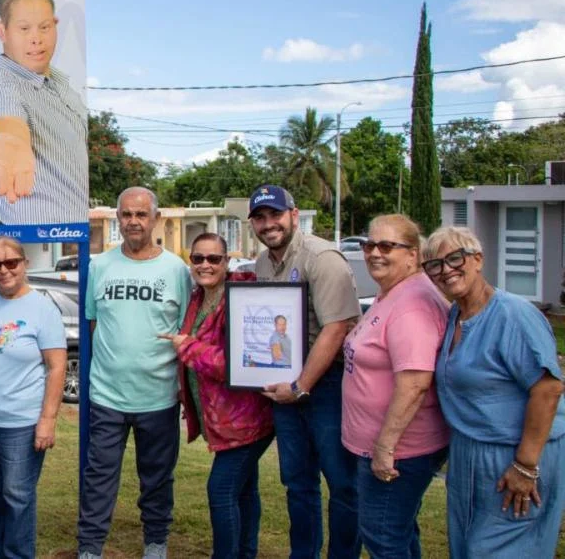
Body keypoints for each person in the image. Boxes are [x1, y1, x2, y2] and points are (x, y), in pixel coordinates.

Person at [423, 226, 565, 556]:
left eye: (454, 258)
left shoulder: (514, 315)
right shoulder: (456, 314)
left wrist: (525, 465)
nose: (446, 270)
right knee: (467, 545)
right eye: (435, 265)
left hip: (515, 453)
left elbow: (548, 388)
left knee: (499, 548)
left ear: (477, 259)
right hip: (470, 451)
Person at [77, 186, 191, 559]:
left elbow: (184, 333)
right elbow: (95, 325)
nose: (134, 222)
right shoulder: (100, 266)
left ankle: (155, 544)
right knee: (98, 478)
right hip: (107, 396)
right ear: (118, 219)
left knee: (157, 479)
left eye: (141, 214)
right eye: (126, 214)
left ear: (155, 218)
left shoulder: (176, 270)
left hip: (158, 397)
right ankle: (90, 548)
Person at [249, 184, 362, 559]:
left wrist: (300, 387)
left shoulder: (322, 257)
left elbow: (336, 328)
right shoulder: (263, 264)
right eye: (260, 218)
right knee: (297, 483)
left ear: (294, 215)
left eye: (275, 215)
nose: (269, 225)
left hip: (327, 384)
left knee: (342, 483)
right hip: (286, 385)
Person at [340, 214, 450, 558]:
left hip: (399, 452)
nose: (375, 253)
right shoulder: (394, 292)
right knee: (397, 531)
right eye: (369, 244)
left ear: (413, 255)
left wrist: (385, 448)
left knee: (383, 536)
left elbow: (416, 382)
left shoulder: (412, 306)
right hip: (384, 448)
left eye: (387, 245)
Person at [163, 233, 273, 559]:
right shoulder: (199, 297)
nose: (205, 265)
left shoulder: (241, 300)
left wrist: (188, 348)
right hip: (223, 421)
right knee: (244, 491)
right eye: (198, 259)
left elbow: (241, 362)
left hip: (247, 420)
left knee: (221, 490)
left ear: (227, 262)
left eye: (214, 259)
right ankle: (245, 553)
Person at [0, 236, 67, 559]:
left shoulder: (42, 308)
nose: (4, 270)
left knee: (17, 495)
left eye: (11, 263)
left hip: (22, 423)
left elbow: (57, 367)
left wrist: (47, 421)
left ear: (25, 264)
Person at [0, 0, 88, 225]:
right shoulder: (3, 87)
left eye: (44, 27)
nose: (36, 39)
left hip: (73, 229)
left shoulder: (60, 83)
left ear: (56, 25)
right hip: (29, 235)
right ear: (2, 31)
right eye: (24, 28)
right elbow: (8, 120)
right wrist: (11, 140)